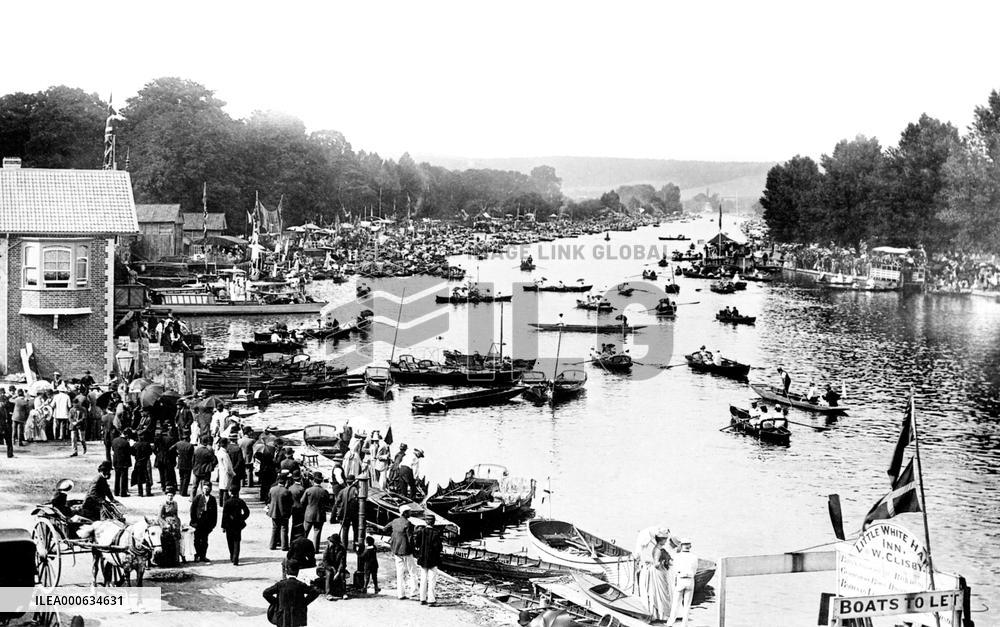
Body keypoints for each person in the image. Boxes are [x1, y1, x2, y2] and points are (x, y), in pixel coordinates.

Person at [262, 561, 319, 627]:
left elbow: (266, 593)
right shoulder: (300, 584)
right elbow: (315, 592)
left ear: (287, 571)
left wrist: (277, 603)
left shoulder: (281, 584)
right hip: (297, 616)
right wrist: (304, 603)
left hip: (282, 616)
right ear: (297, 572)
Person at [666, 539, 698, 626]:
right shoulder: (694, 557)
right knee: (687, 605)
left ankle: (670, 623)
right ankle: (684, 624)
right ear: (690, 546)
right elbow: (695, 570)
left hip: (680, 579)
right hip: (690, 580)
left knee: (676, 603)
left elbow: (675, 570)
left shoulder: (677, 556)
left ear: (681, 546)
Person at [414, 512, 443, 606]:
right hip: (433, 559)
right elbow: (438, 547)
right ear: (433, 522)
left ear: (426, 522)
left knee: (423, 579)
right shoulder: (436, 532)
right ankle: (431, 600)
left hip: (422, 558)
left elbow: (417, 544)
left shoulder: (420, 532)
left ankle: (422, 599)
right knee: (432, 580)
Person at [389, 507, 418, 600]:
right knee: (412, 571)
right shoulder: (408, 523)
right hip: (406, 550)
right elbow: (410, 538)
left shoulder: (394, 521)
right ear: (405, 513)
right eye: (410, 512)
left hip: (396, 550)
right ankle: (413, 591)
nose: (411, 513)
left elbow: (385, 528)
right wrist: (414, 549)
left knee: (400, 572)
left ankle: (400, 594)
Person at [221, 485, 250, 565]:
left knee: (230, 541)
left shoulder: (227, 502)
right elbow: (247, 512)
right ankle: (236, 558)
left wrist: (223, 526)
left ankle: (232, 556)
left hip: (228, 525)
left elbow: (224, 515)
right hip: (237, 525)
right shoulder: (240, 501)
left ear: (230, 493)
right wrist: (242, 518)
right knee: (237, 541)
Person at [190, 481, 218, 562]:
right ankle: (197, 555)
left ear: (210, 489)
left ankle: (203, 556)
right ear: (202, 489)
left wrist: (213, 524)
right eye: (204, 488)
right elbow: (192, 510)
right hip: (198, 522)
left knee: (205, 540)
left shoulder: (212, 499)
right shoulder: (197, 498)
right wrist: (193, 522)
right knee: (197, 540)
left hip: (207, 523)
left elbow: (214, 513)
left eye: (208, 489)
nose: (206, 490)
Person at [301, 472, 329, 550]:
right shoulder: (324, 491)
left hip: (309, 514)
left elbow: (302, 501)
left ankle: (302, 547)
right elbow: (328, 503)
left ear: (313, 481)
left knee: (305, 532)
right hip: (320, 514)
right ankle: (315, 549)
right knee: (317, 532)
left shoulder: (308, 490)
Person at [268, 473, 294, 551]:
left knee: (274, 528)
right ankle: (284, 546)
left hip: (274, 512)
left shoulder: (272, 489)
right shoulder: (287, 491)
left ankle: (272, 545)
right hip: (284, 513)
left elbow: (269, 499)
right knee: (284, 529)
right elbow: (290, 503)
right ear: (285, 481)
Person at [158, 487, 183, 566]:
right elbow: (159, 517)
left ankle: (175, 560)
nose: (170, 497)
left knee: (176, 541)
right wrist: (166, 524)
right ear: (166, 495)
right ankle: (167, 561)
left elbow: (176, 514)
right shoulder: (163, 504)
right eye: (169, 495)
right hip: (166, 524)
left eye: (172, 495)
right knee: (167, 542)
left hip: (174, 524)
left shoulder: (175, 503)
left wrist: (178, 523)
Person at [335, 475, 359, 551]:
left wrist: (340, 511)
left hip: (345, 514)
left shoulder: (342, 491)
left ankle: (344, 547)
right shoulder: (356, 490)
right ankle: (356, 547)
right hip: (355, 514)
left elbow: (337, 503)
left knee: (345, 530)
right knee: (356, 530)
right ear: (354, 481)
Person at [321, 534, 348, 601]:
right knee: (329, 574)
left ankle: (343, 592)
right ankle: (328, 593)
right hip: (329, 567)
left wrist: (338, 572)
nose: (331, 543)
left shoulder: (342, 549)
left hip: (338, 567)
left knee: (342, 575)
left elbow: (343, 562)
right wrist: (331, 568)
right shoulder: (327, 548)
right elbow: (325, 561)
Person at [214, 438, 235, 509]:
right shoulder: (225, 454)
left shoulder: (219, 452)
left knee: (221, 488)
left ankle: (220, 503)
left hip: (221, 472)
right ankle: (225, 504)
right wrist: (232, 473)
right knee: (226, 489)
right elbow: (228, 467)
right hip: (226, 473)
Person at [111, 429, 133, 497]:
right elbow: (129, 452)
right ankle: (123, 492)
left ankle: (116, 492)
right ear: (126, 435)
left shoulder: (114, 440)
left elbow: (113, 450)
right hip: (124, 462)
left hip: (116, 461)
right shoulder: (126, 442)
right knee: (124, 478)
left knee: (117, 477)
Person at [131, 432, 154, 497]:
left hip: (138, 462)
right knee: (147, 477)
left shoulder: (135, 445)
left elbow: (132, 453)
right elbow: (150, 453)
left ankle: (140, 492)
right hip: (145, 462)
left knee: (139, 478)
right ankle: (148, 492)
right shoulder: (147, 444)